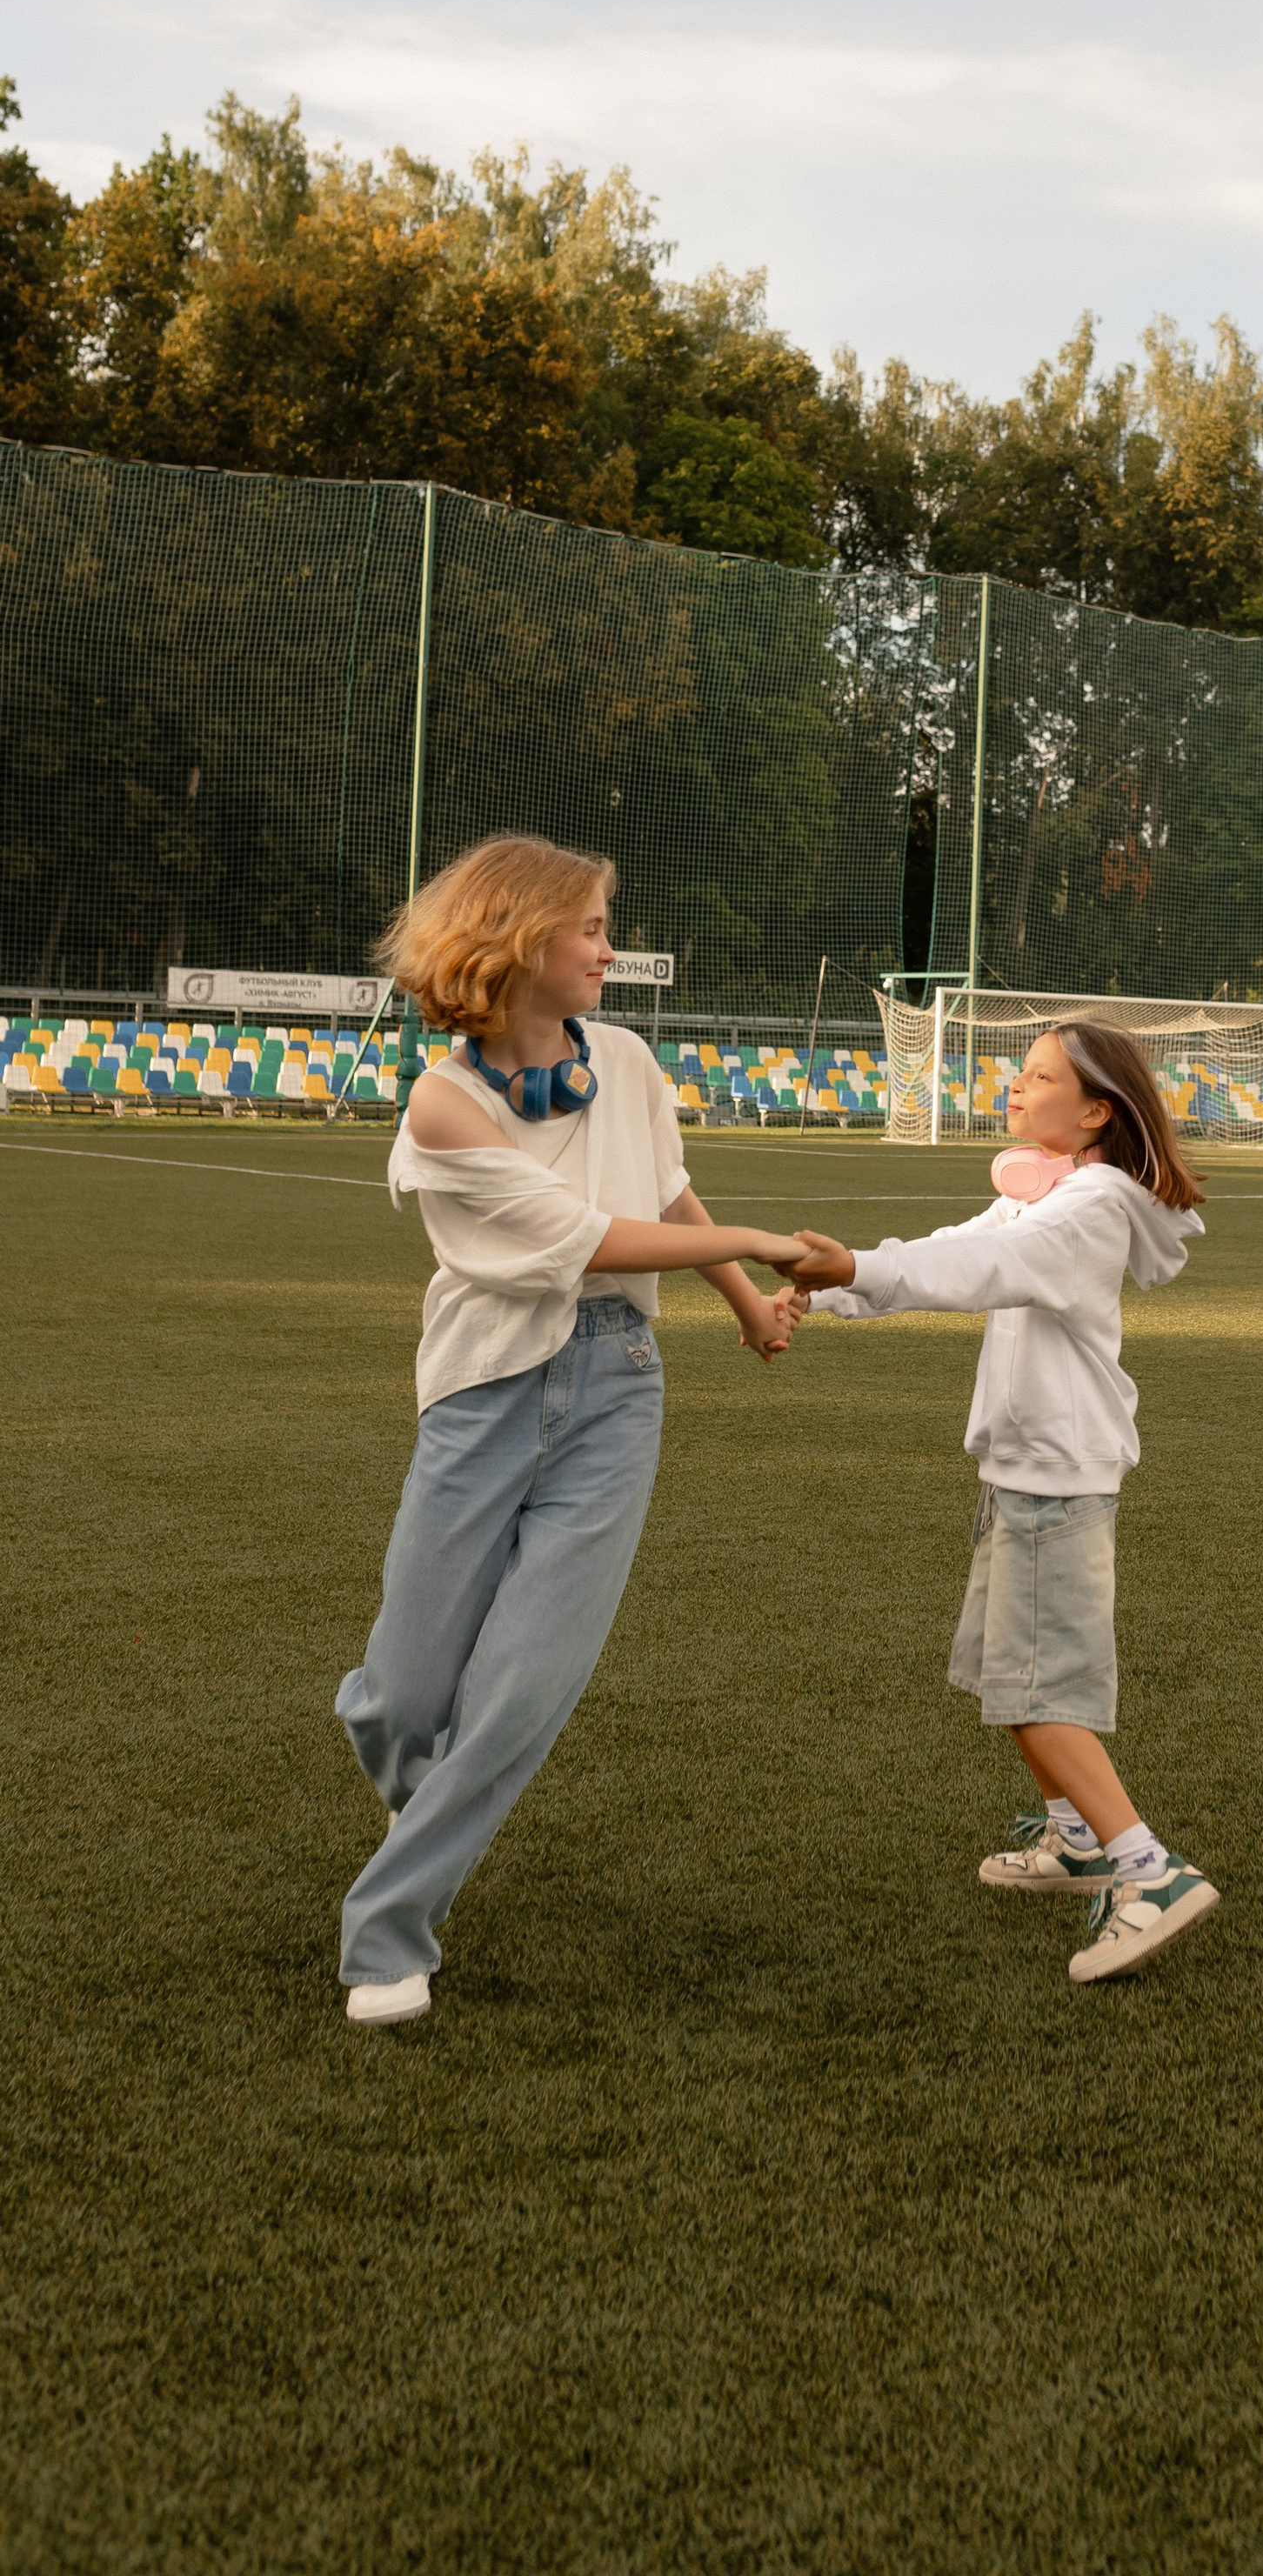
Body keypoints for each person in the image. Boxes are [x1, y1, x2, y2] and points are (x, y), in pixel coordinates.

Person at [334, 833, 806, 2026]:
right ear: (515, 938)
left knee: (523, 1687)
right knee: (399, 1700)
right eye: (590, 928)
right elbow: (590, 1235)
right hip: (484, 1391)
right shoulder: (444, 1105)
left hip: (617, 1388)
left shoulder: (633, 1060)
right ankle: (427, 1799)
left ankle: (388, 1932)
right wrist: (751, 1242)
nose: (610, 947)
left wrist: (749, 1310)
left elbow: (660, 1184)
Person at [781, 1021, 1217, 1985]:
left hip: (1055, 1482)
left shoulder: (1093, 1204)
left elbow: (977, 1272)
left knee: (1038, 1689)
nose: (1014, 1088)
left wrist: (846, 1270)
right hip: (1023, 1471)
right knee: (1004, 1675)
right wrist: (823, 1290)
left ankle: (1149, 1870)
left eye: (1038, 1076)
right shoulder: (1049, 1193)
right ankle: (1075, 1840)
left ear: (1097, 1107)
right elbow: (948, 1249)